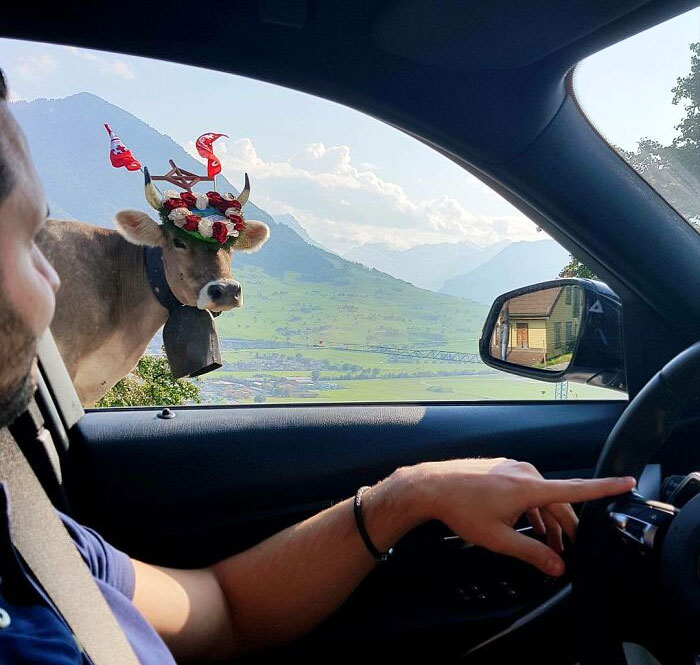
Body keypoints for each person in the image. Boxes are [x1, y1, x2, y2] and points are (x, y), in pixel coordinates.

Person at [0, 68, 636, 664]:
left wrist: (411, 493)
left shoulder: (36, 538)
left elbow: (221, 609)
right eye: (32, 242)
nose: (54, 277)